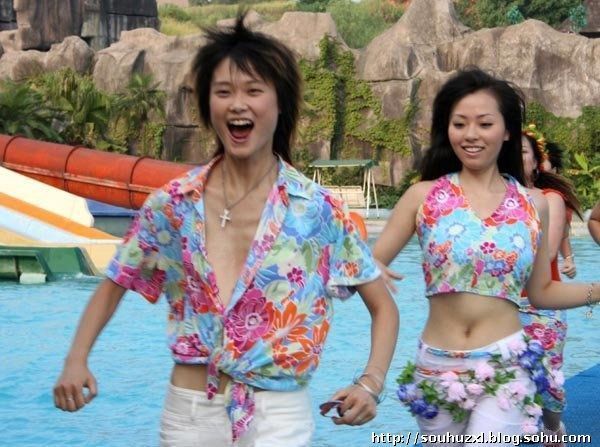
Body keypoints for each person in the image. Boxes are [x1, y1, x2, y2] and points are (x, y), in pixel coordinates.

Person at [53, 17, 399, 447]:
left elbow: (383, 307)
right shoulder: (173, 204)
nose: (238, 104)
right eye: (223, 92)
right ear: (207, 105)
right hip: (190, 413)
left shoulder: (318, 210)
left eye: (253, 91)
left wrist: (371, 383)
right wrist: (76, 359)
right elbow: (114, 283)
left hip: (279, 416)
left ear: (280, 103)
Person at [373, 68, 600, 446]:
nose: (471, 134)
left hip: (505, 363)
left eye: (484, 123)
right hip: (436, 367)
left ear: (507, 130)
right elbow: (366, 266)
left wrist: (599, 290)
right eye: (459, 123)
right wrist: (371, 277)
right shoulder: (423, 197)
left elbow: (541, 292)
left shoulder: (534, 204)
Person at [519, 126, 582, 446]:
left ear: (536, 163)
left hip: (541, 303)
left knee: (547, 385)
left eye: (522, 152)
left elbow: (549, 250)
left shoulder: (551, 199)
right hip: (496, 303)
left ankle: (554, 428)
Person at [544, 141, 577, 278]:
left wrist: (569, 259)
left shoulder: (556, 198)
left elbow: (562, 235)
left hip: (544, 274)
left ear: (554, 170)